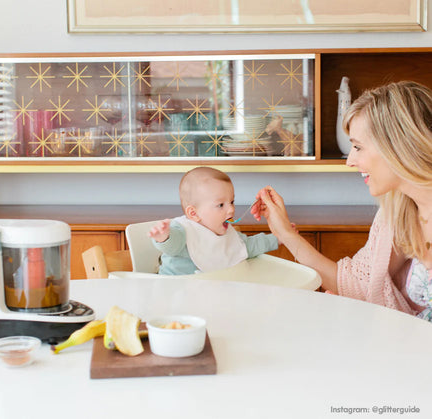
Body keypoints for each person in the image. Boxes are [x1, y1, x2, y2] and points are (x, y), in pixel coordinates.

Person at [252, 81, 432, 319]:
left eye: (358, 147)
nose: (350, 161)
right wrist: (284, 232)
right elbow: (353, 283)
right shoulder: (398, 213)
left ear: (398, 147)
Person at [148, 167, 279, 275]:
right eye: (221, 205)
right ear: (193, 213)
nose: (231, 210)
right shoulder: (183, 229)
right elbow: (173, 246)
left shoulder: (225, 231)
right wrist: (165, 237)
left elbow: (248, 247)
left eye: (232, 202)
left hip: (207, 292)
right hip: (173, 291)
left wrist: (278, 237)